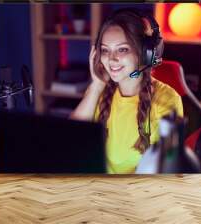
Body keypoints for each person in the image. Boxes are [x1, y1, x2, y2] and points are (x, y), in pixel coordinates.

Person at [70, 9, 183, 174]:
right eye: (105, 50)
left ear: (145, 53)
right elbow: (70, 142)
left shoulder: (167, 100)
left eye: (122, 50)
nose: (111, 59)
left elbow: (167, 171)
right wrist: (96, 87)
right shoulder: (98, 90)